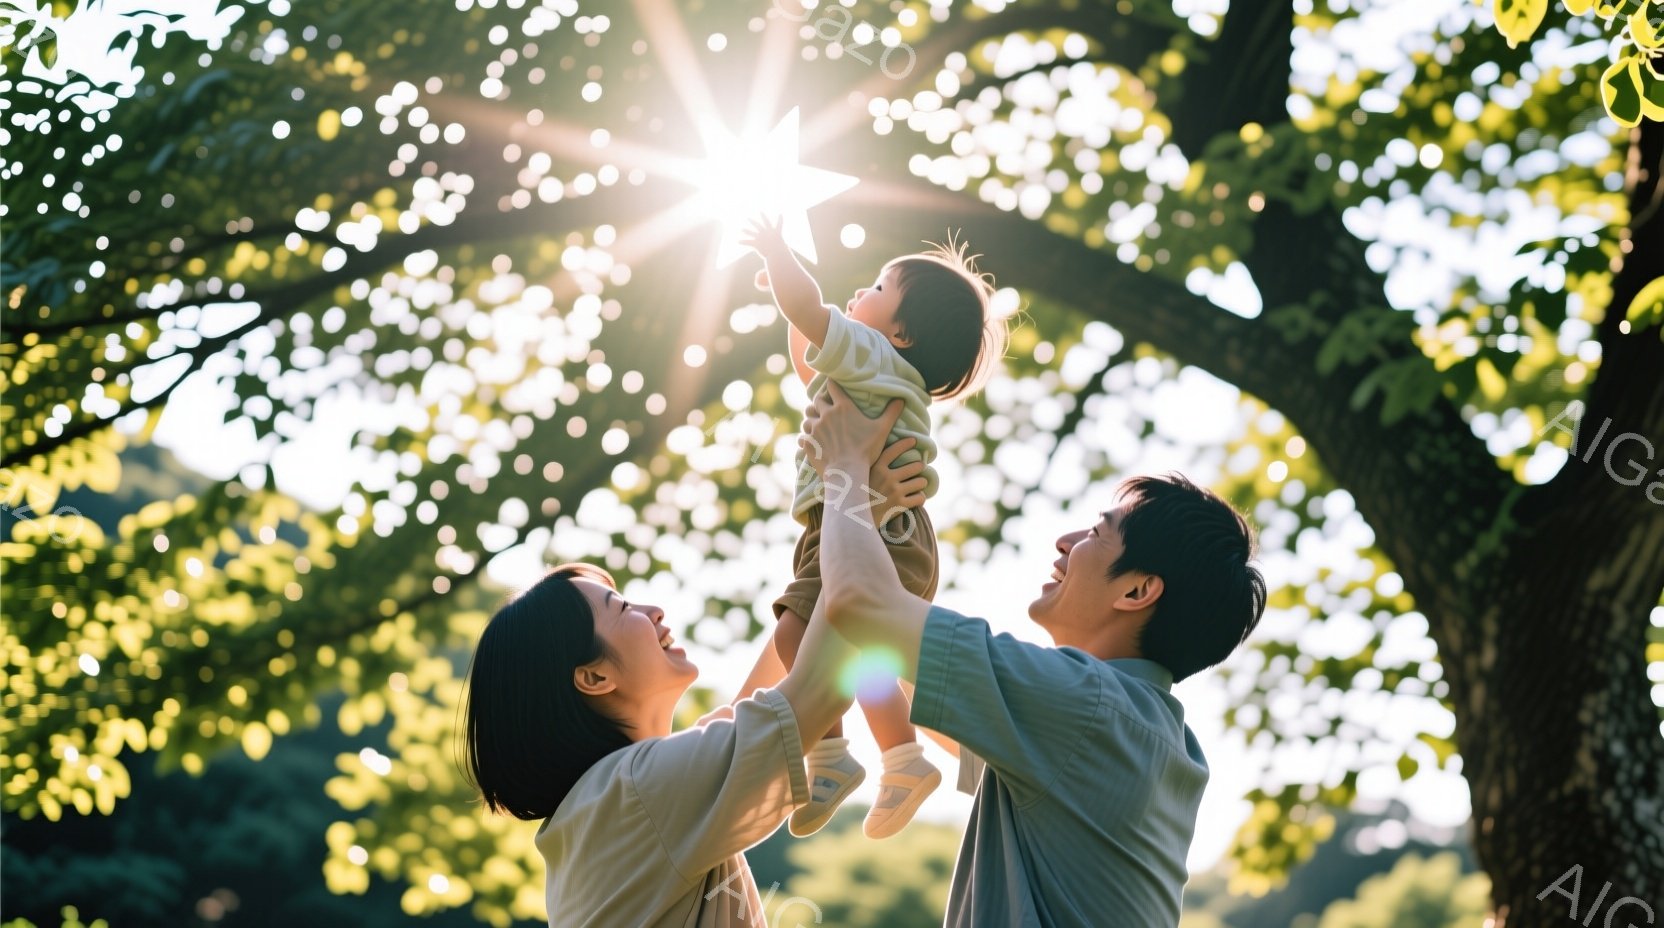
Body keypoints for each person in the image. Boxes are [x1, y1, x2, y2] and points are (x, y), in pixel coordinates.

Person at [802, 385, 1268, 927]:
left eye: (1096, 532)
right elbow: (905, 670)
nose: (1065, 541)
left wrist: (845, 467)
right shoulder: (1148, 734)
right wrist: (876, 526)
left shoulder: (1084, 704)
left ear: (1138, 591)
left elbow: (862, 606)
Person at [456, 433, 925, 928]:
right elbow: (818, 688)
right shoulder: (641, 793)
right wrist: (858, 503)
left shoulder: (615, 803)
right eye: (621, 610)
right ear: (594, 675)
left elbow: (772, 688)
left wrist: (840, 516)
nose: (652, 609)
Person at [740, 213, 1008, 839]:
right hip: (874, 523)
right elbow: (810, 359)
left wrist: (778, 252)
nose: (860, 292)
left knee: (803, 639)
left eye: (879, 289)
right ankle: (851, 757)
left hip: (875, 522)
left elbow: (810, 312)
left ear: (903, 333)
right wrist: (791, 306)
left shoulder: (875, 356)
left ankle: (885, 756)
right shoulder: (872, 368)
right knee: (823, 647)